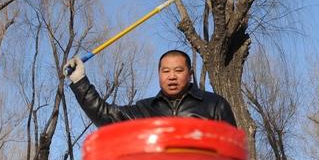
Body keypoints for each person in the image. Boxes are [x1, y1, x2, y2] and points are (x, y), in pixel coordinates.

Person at [63, 50, 236, 127]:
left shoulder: (214, 105)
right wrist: (79, 80)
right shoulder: (144, 110)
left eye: (178, 70)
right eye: (166, 71)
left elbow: (233, 152)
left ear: (190, 74)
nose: (172, 76)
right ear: (159, 74)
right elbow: (105, 115)